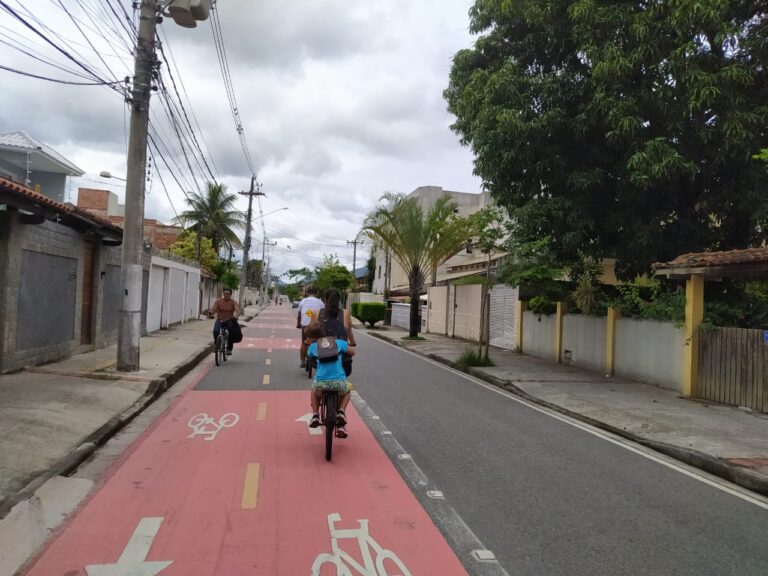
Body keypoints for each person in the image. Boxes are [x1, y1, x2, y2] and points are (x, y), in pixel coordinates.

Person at [305, 321, 355, 438]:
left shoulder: (313, 347)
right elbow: (353, 352)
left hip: (320, 384)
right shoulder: (338, 342)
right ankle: (341, 411)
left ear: (311, 338)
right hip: (339, 383)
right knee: (347, 390)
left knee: (313, 390)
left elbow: (309, 356)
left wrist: (309, 343)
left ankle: (316, 414)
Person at [314, 288, 356, 376]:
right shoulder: (346, 313)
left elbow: (312, 333)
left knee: (318, 380)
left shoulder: (316, 313)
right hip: (342, 358)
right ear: (339, 300)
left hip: (321, 355)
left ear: (325, 299)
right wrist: (352, 342)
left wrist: (308, 342)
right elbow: (349, 332)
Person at [297, 286, 324, 368]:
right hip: (317, 326)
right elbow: (323, 315)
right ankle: (320, 359)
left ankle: (302, 361)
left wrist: (298, 324)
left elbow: (299, 316)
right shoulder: (320, 302)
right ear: (316, 293)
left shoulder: (302, 301)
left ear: (307, 293)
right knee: (320, 342)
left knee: (303, 342)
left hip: (305, 325)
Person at [209, 288, 240, 354]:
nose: (226, 295)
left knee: (231, 333)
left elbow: (237, 310)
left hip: (229, 321)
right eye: (225, 293)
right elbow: (213, 309)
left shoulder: (233, 302)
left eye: (228, 294)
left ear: (230, 295)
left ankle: (229, 349)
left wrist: (236, 316)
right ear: (223, 294)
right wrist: (211, 312)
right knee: (215, 331)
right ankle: (216, 345)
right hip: (220, 320)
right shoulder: (218, 301)